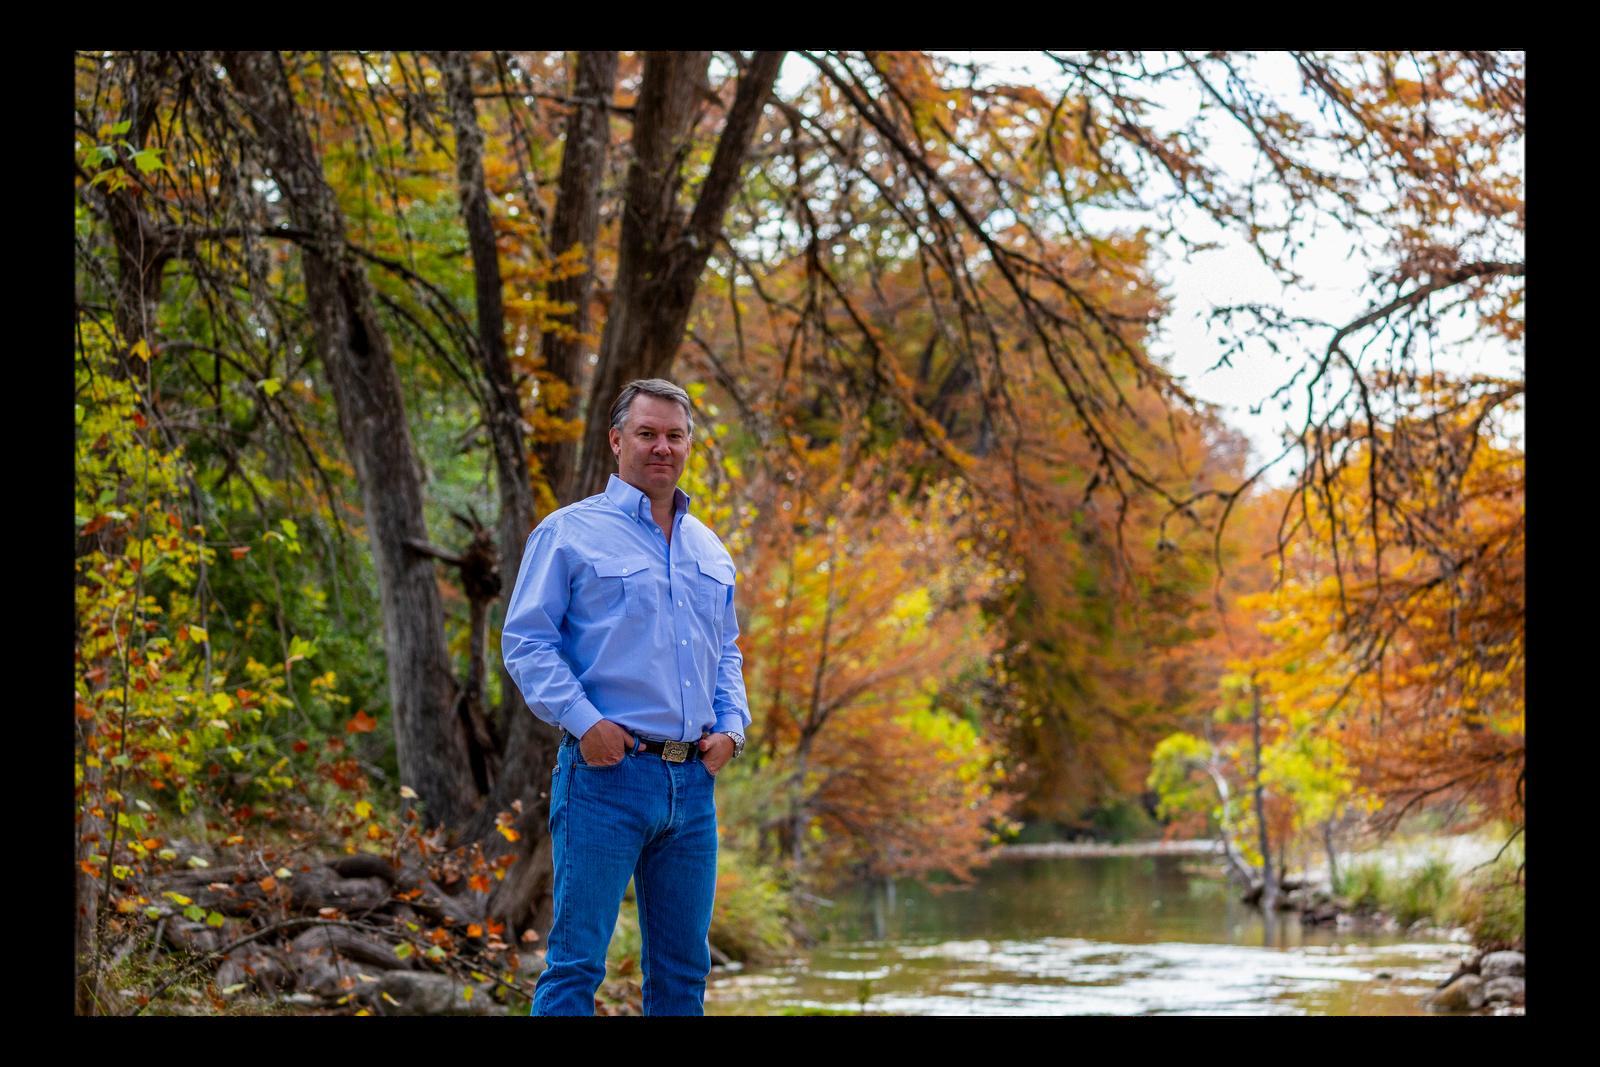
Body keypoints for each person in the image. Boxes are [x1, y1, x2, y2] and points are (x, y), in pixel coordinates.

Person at [501, 378, 750, 1016]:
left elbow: (725, 650)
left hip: (692, 785)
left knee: (683, 973)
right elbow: (526, 643)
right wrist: (585, 723)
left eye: (675, 435)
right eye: (647, 433)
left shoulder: (708, 547)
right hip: (605, 777)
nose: (662, 447)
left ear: (688, 444)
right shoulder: (568, 533)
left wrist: (732, 727)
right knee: (576, 965)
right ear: (617, 441)